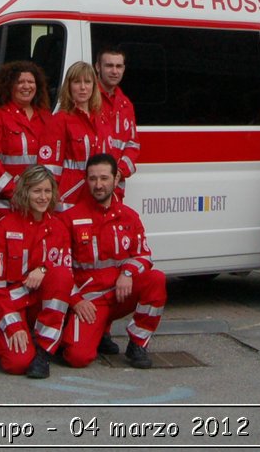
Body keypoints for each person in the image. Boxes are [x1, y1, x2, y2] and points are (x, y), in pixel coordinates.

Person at [60, 154, 165, 369]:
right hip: (90, 302)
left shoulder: (129, 216)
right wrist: (76, 301)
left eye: (104, 178)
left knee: (156, 279)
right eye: (93, 179)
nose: (98, 185)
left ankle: (137, 343)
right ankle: (91, 332)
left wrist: (126, 273)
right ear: (86, 180)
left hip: (119, 294)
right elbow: (59, 268)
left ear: (116, 179)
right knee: (77, 358)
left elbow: (144, 255)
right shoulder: (69, 218)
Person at [0, 164, 74, 379]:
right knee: (16, 364)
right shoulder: (4, 227)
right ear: (25, 192)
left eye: (47, 191)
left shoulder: (58, 228)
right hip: (6, 305)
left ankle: (44, 350)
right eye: (36, 191)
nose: (43, 197)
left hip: (36, 303)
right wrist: (13, 326)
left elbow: (65, 270)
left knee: (61, 275)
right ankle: (20, 339)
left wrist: (43, 268)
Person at [0, 61, 62, 222]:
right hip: (7, 203)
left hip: (39, 203)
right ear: (8, 86)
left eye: (30, 82)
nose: (26, 86)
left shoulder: (46, 118)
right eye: (20, 82)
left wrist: (43, 193)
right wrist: (15, 191)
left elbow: (54, 161)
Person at [55, 61, 122, 208]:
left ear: (94, 86)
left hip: (99, 194)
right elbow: (49, 169)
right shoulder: (60, 119)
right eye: (77, 82)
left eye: (88, 82)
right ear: (68, 86)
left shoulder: (102, 119)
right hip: (70, 196)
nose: (83, 87)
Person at [94, 47, 140, 185]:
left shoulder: (126, 104)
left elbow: (132, 145)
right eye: (109, 66)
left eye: (118, 66)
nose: (114, 71)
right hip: (91, 183)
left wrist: (120, 171)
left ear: (124, 69)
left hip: (115, 186)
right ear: (97, 67)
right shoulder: (87, 98)